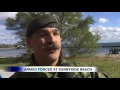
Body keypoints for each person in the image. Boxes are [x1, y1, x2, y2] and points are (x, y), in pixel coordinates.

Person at [10, 14, 108, 78]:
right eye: (43, 34)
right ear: (29, 42)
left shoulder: (85, 73)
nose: (52, 40)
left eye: (56, 34)